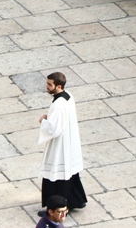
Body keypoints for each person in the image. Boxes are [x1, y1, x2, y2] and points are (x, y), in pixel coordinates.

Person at [38, 71, 86, 210]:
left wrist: (44, 121)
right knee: (69, 173)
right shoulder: (68, 96)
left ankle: (58, 207)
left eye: (49, 84)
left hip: (60, 145)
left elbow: (54, 130)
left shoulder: (59, 104)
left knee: (56, 176)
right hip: (69, 141)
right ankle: (77, 200)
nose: (46, 86)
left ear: (58, 86)